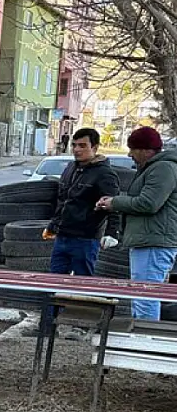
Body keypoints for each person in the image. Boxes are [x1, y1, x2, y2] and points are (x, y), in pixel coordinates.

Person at [97, 126, 177, 320]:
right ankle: (141, 338)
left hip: (153, 242)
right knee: (141, 296)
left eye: (132, 149)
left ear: (145, 149)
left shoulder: (163, 168)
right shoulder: (154, 167)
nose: (129, 154)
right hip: (149, 240)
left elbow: (149, 203)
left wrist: (115, 203)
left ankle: (145, 342)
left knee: (145, 297)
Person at [43, 128, 121, 276]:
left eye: (83, 145)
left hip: (85, 239)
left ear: (95, 147)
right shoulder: (70, 168)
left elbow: (114, 204)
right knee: (54, 282)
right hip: (62, 236)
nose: (77, 149)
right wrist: (52, 225)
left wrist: (112, 233)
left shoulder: (104, 174)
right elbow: (62, 200)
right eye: (74, 145)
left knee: (82, 285)